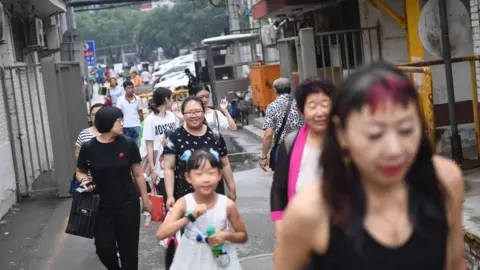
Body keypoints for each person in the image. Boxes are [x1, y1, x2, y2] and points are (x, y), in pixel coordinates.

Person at [273, 63, 465, 269]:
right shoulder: (309, 212)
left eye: (406, 129)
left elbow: (455, 264)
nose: (394, 150)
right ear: (341, 133)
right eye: (375, 134)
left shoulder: (445, 181)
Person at [76, 106, 152, 270]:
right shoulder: (89, 147)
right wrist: (83, 180)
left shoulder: (128, 144)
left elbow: (138, 174)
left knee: (129, 251)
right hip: (102, 206)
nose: (123, 123)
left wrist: (145, 200)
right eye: (119, 120)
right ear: (107, 122)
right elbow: (80, 171)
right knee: (104, 248)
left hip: (128, 203)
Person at [156, 148, 247, 270]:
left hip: (219, 257)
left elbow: (243, 236)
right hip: (190, 259)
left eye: (211, 173)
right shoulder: (184, 203)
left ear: (219, 175)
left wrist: (225, 236)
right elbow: (161, 234)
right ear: (188, 177)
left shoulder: (227, 204)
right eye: (199, 174)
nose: (206, 179)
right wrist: (188, 217)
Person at [270, 77, 335, 237]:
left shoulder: (348, 140)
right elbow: (279, 187)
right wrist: (279, 223)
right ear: (301, 110)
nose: (320, 112)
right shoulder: (290, 142)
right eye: (312, 106)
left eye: (325, 105)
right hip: (303, 230)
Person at [260, 78, 305, 171]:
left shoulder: (272, 107)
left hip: (282, 150)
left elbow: (268, 134)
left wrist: (264, 157)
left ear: (275, 90)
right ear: (290, 89)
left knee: (283, 181)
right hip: (301, 147)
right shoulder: (301, 105)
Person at [140, 87, 179, 194]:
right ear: (166, 99)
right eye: (171, 98)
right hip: (159, 167)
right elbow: (149, 146)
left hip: (175, 162)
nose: (172, 101)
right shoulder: (150, 120)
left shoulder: (172, 116)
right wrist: (152, 169)